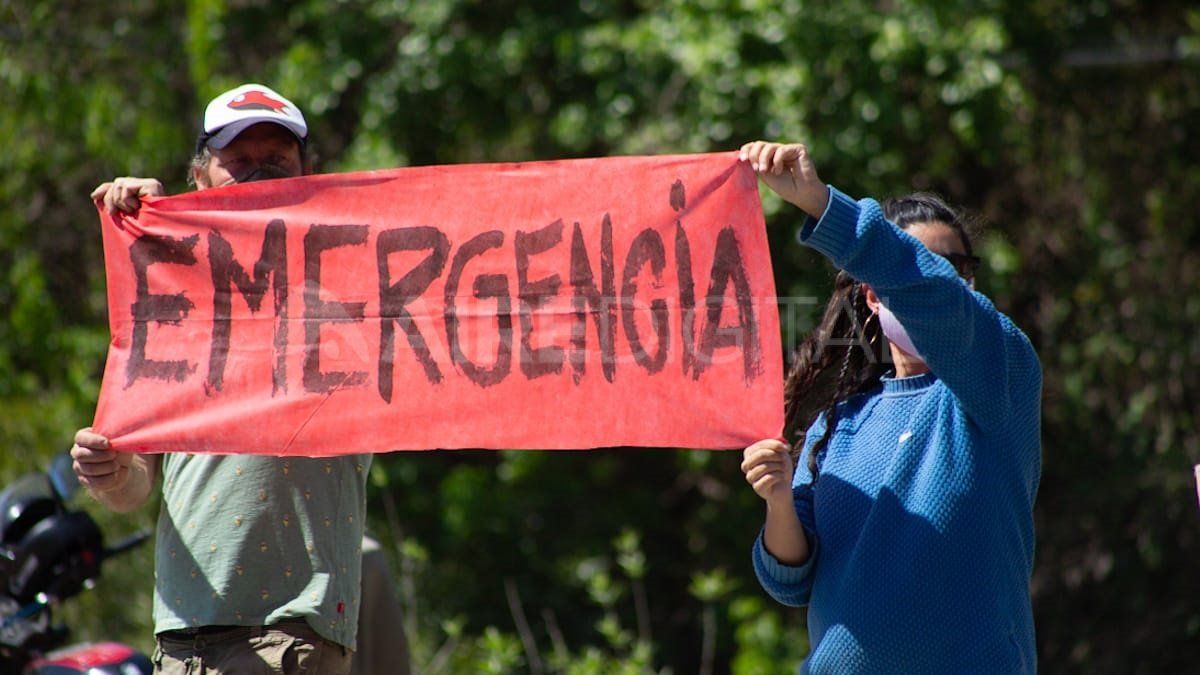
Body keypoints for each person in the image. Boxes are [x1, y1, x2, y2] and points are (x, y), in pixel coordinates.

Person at [72, 84, 375, 675]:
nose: (256, 174)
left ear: (309, 176)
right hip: (182, 639)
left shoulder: (350, 283)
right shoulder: (170, 303)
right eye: (237, 161)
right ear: (200, 176)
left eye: (276, 160)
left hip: (291, 632)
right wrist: (108, 475)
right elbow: (138, 486)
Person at [738, 141, 1042, 672]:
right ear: (872, 298)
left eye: (957, 269)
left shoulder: (1001, 380)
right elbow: (791, 580)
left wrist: (824, 206)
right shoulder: (839, 426)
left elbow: (931, 293)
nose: (944, 280)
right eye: (925, 266)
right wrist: (778, 499)